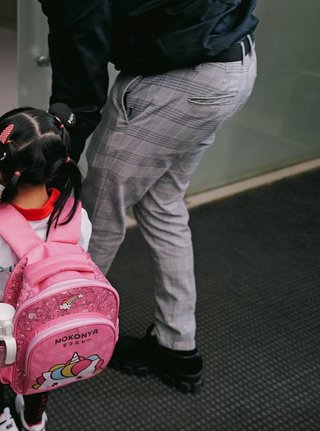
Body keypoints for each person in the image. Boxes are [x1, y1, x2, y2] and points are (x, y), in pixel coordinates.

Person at [39, 0, 259, 393]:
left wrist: (58, 156)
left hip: (179, 82)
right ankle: (177, 346)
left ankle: (57, 341)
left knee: (95, 218)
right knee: (163, 206)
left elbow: (81, 80)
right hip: (230, 64)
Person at [0, 105, 91, 431]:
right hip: (53, 314)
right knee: (43, 360)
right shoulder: (75, 215)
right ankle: (34, 420)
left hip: (2, 315)